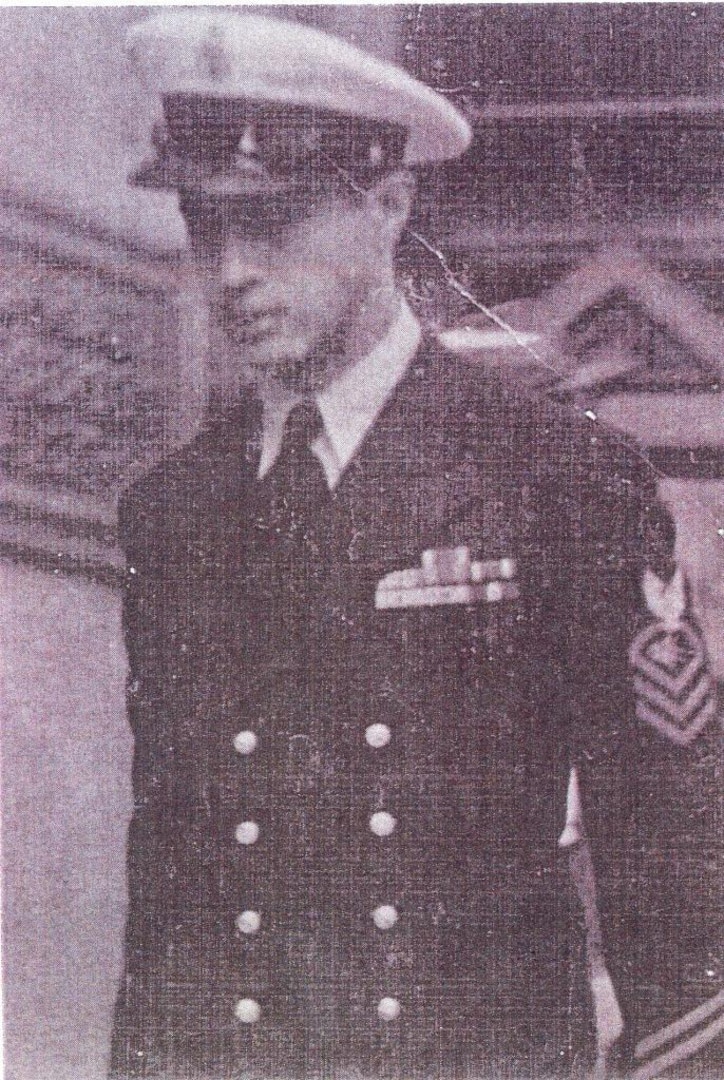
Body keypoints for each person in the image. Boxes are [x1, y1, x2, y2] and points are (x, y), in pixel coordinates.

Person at [110, 12, 722, 1080]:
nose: (232, 272)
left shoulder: (557, 475)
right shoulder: (174, 512)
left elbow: (672, 864)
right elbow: (175, 891)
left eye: (274, 222)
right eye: (207, 227)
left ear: (387, 206)